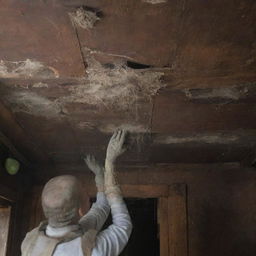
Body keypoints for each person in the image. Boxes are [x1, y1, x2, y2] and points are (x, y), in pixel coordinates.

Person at [21, 130, 132, 256]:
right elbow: (123, 225)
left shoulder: (30, 241)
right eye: (85, 193)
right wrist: (109, 163)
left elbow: (100, 209)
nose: (87, 195)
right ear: (80, 210)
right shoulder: (93, 251)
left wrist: (100, 176)